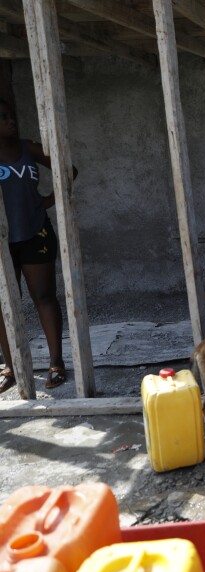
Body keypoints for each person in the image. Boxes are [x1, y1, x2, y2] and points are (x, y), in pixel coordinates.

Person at [0, 99, 72, 392]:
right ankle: (12, 367)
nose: (11, 121)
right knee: (3, 305)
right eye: (3, 117)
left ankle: (56, 363)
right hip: (3, 239)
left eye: (11, 115)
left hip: (35, 234)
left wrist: (48, 201)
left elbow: (68, 169)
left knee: (43, 296)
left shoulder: (28, 149)